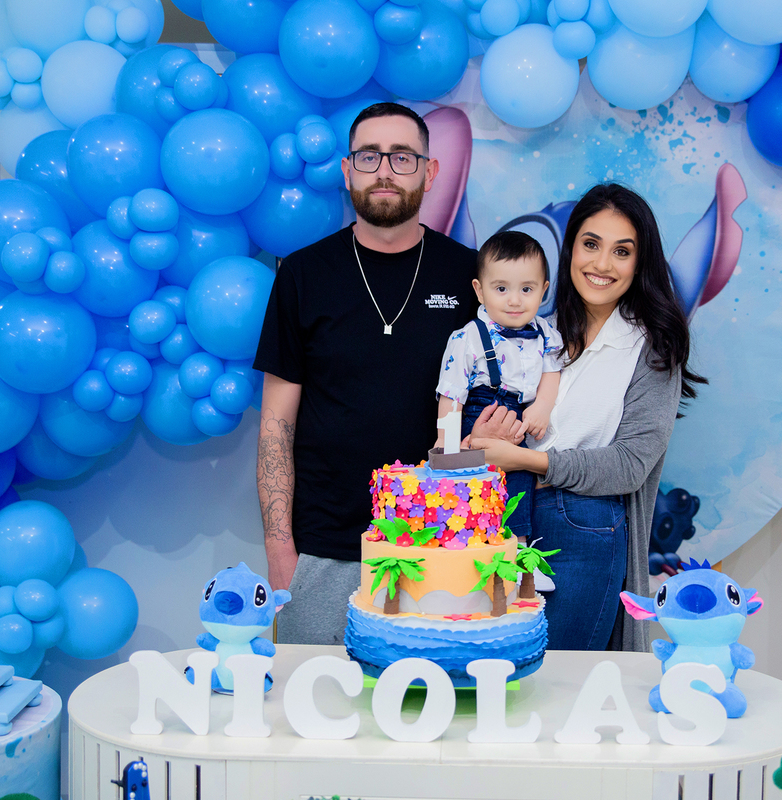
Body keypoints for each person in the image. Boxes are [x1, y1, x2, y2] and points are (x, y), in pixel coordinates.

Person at [253, 102, 478, 645]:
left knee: (433, 696)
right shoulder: (303, 274)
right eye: (369, 156)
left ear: (430, 172)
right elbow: (275, 428)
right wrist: (281, 552)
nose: (384, 170)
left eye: (403, 157)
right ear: (347, 170)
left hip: (442, 547)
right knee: (316, 697)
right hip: (323, 551)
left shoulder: (469, 275)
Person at [467, 183, 705, 652]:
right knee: (497, 670)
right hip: (508, 521)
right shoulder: (537, 333)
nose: (602, 264)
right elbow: (493, 421)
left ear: (639, 262)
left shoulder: (651, 349)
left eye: (622, 251)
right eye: (591, 244)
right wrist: (483, 436)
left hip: (582, 529)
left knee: (557, 678)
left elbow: (629, 465)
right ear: (571, 248)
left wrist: (526, 461)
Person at [434, 230, 562, 539]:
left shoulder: (545, 333)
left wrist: (542, 407)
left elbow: (552, 370)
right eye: (501, 288)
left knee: (519, 481)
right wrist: (447, 444)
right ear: (480, 291)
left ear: (543, 291)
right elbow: (452, 393)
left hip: (519, 416)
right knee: (473, 483)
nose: (514, 300)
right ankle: (469, 541)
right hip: (479, 410)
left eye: (527, 289)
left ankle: (515, 546)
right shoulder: (468, 337)